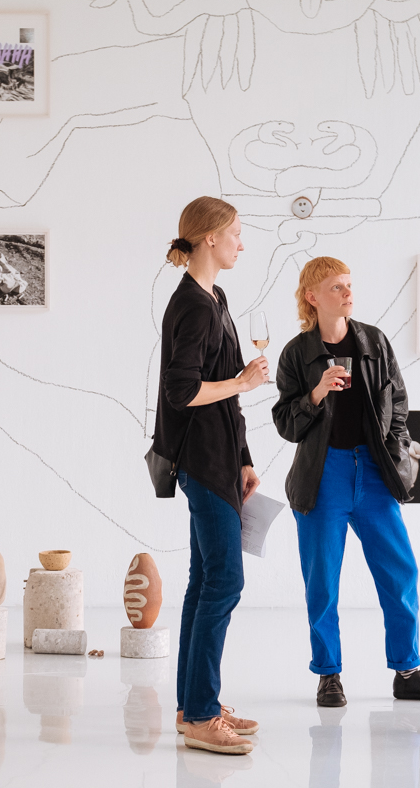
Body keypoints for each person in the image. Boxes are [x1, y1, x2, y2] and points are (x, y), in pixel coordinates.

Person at [272, 257, 420, 709]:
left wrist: (395, 447)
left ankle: (407, 672)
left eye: (349, 285)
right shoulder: (296, 354)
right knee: (323, 582)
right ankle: (328, 674)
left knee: (400, 571)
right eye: (336, 287)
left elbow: (398, 401)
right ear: (312, 297)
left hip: (373, 472)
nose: (348, 293)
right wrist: (317, 392)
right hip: (324, 475)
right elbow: (285, 424)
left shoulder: (373, 341)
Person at [153, 196, 270, 755]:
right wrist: (244, 383)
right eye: (236, 233)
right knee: (224, 581)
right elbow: (182, 392)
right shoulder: (195, 305)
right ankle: (201, 714)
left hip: (222, 458)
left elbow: (225, 388)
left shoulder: (215, 297)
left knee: (204, 582)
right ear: (209, 238)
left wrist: (244, 456)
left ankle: (193, 706)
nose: (242, 243)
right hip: (201, 460)